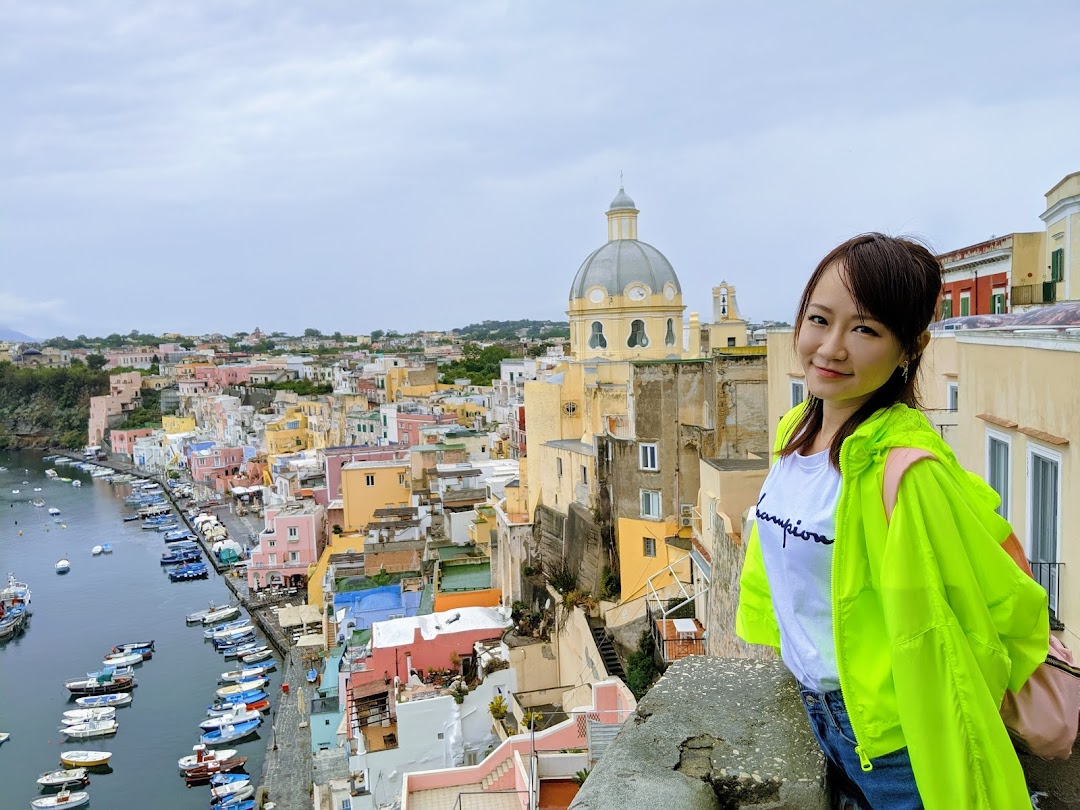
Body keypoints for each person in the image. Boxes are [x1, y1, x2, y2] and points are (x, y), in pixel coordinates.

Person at [735, 233, 1049, 808]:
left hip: (901, 741)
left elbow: (985, 603)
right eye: (818, 319)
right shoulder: (794, 431)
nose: (831, 348)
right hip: (822, 716)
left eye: (865, 330)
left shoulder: (904, 469)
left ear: (909, 348)